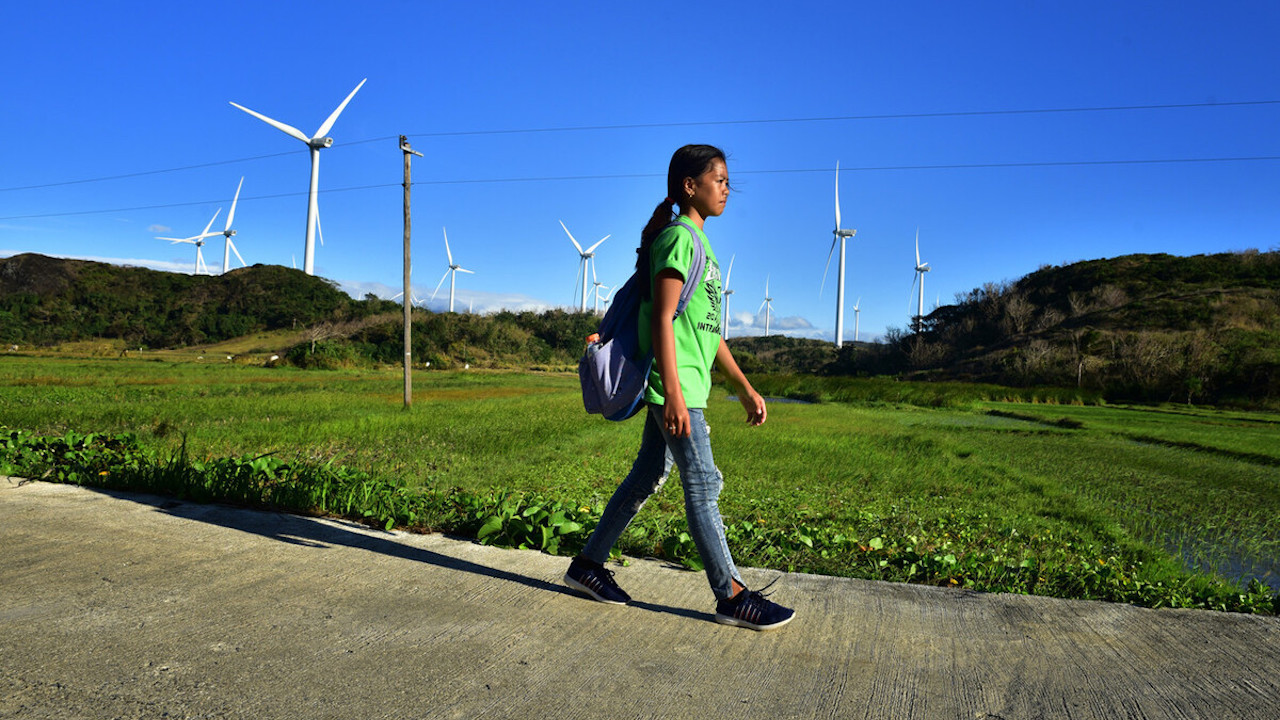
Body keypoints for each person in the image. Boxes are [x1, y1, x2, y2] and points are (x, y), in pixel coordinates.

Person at [563, 144, 795, 631]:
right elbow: (664, 321)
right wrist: (670, 392)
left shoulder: (702, 248)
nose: (727, 189)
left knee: (647, 477)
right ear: (690, 186)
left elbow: (708, 334)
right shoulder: (678, 240)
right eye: (720, 180)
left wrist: (745, 388)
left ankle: (587, 565)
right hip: (676, 392)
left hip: (685, 387)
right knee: (703, 485)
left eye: (729, 181)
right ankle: (730, 593)